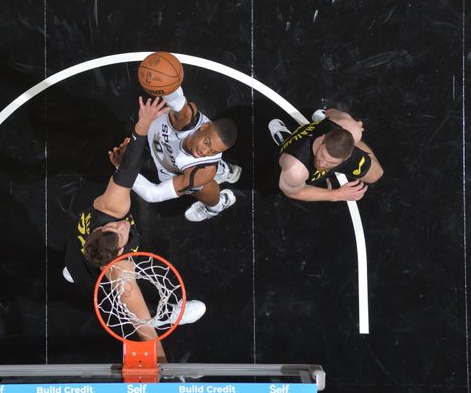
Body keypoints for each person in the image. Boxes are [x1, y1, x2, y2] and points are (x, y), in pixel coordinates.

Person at [63, 96, 206, 360]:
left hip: (76, 258)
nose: (120, 225)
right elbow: (143, 327)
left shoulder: (109, 208)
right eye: (120, 234)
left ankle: (74, 268)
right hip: (99, 285)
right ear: (117, 253)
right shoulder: (121, 269)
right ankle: (170, 315)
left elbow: (128, 168)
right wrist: (160, 365)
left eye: (112, 228)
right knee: (142, 308)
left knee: (76, 261)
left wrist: (142, 125)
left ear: (97, 232)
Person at [113, 84, 239, 222]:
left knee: (202, 188)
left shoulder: (201, 172)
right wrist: (167, 82)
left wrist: (123, 168)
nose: (204, 151)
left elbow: (153, 194)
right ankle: (223, 170)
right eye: (207, 143)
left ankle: (217, 207)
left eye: (213, 151)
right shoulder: (186, 119)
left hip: (180, 170)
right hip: (162, 149)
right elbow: (176, 97)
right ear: (204, 126)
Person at [269, 108, 383, 202]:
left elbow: (332, 112)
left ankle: (343, 142)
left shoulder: (351, 128)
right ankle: (286, 138)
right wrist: (337, 195)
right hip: (295, 159)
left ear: (347, 157)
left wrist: (349, 126)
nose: (322, 163)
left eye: (330, 162)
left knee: (376, 174)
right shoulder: (296, 169)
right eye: (322, 155)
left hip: (341, 141)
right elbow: (291, 192)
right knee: (297, 179)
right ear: (322, 139)